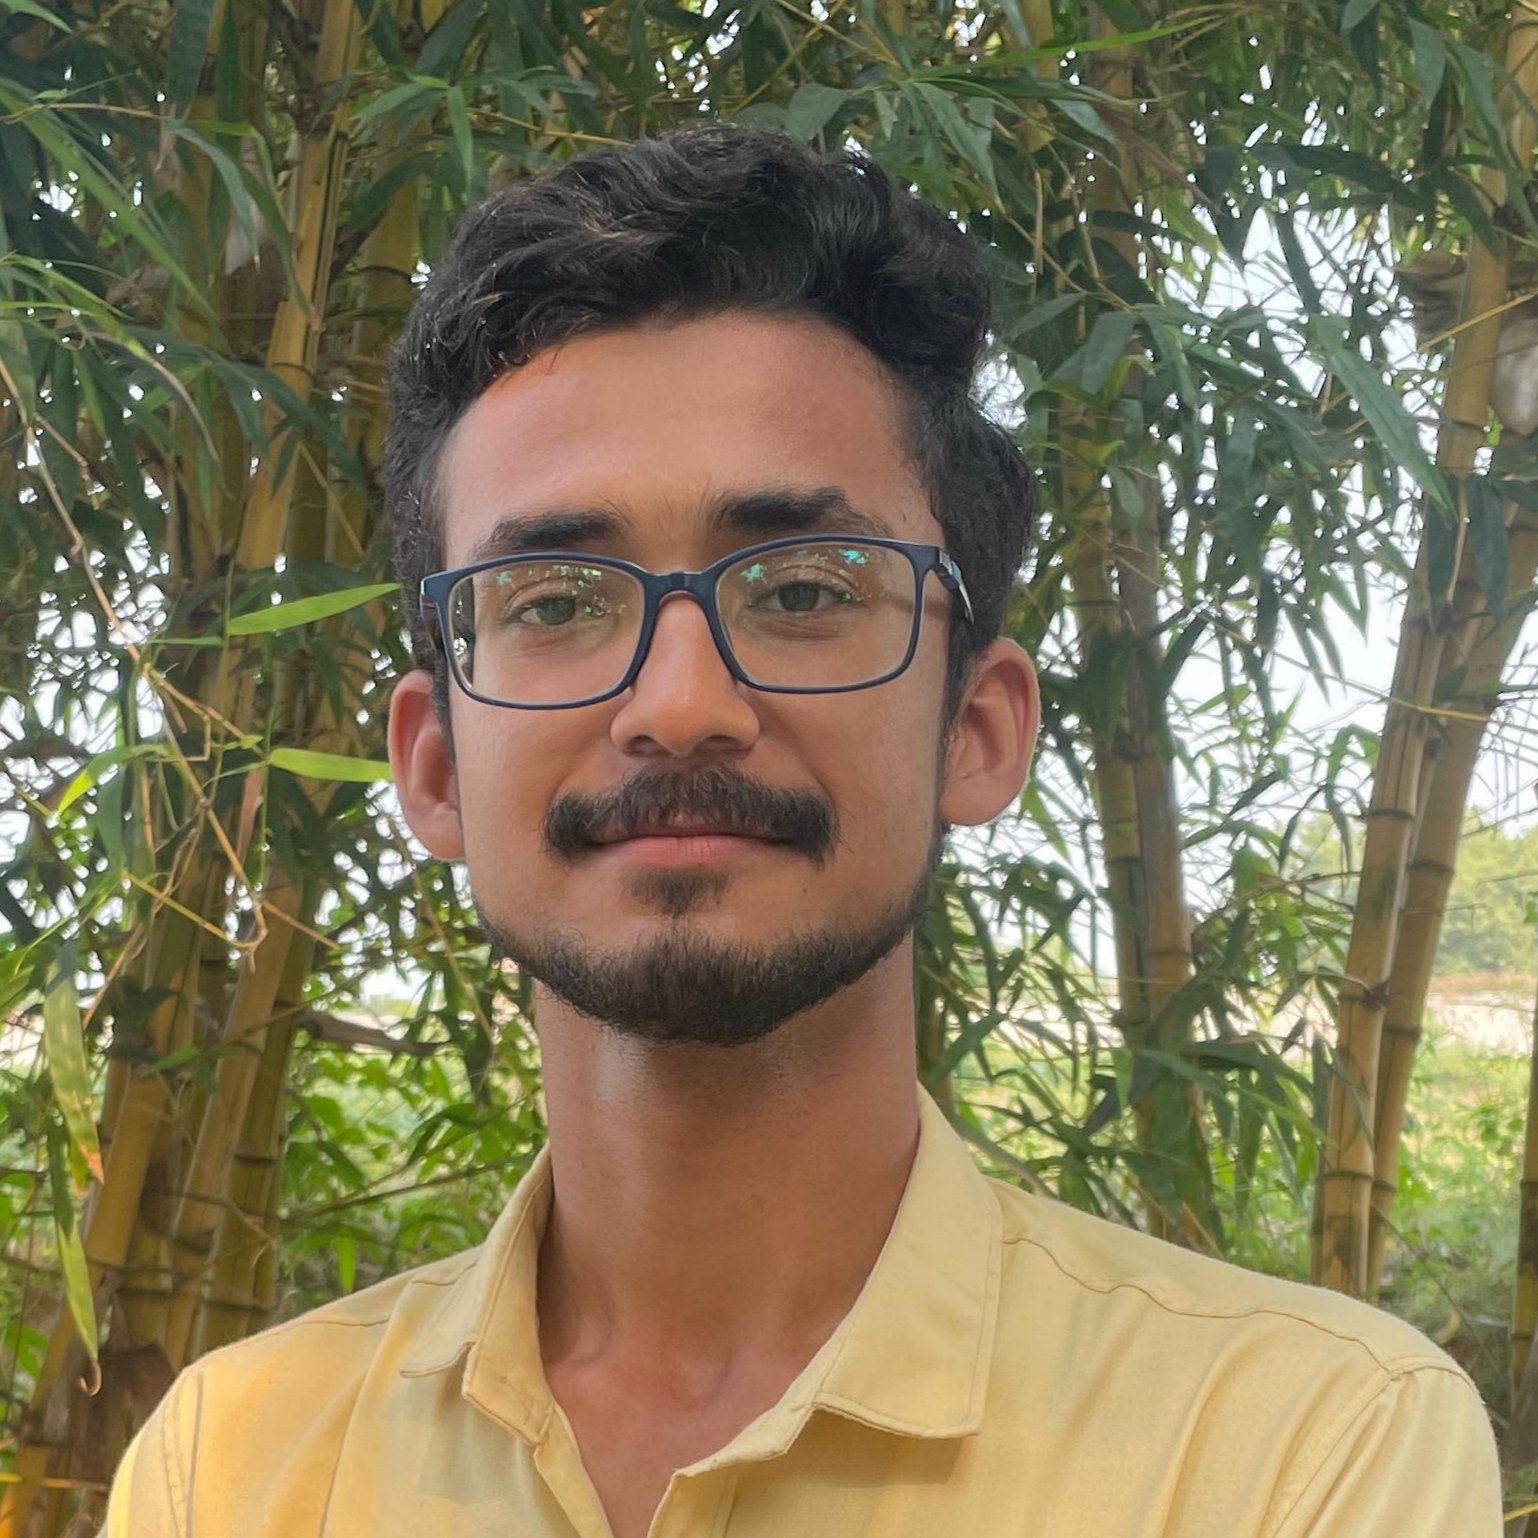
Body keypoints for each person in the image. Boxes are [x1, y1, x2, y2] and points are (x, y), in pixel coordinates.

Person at [103, 124, 1499, 1538]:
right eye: (554, 601)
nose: (679, 705)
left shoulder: (1297, 1450)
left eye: (803, 591)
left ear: (976, 728)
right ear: (433, 765)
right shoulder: (235, 1471)